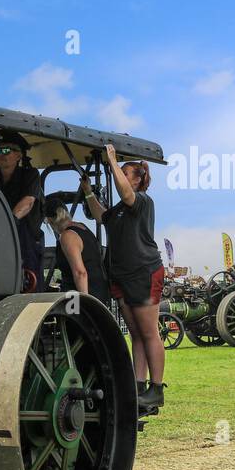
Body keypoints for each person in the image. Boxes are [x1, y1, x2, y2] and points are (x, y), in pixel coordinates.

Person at [83, 144, 165, 413]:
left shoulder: (141, 201)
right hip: (122, 275)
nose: (119, 173)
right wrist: (87, 192)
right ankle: (137, 386)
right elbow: (101, 215)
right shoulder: (118, 210)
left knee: (149, 332)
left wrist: (112, 161)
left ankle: (156, 390)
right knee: (136, 334)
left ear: (138, 179)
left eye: (124, 171)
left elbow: (125, 192)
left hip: (143, 272)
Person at [0, 129, 44, 291]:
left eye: (6, 150)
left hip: (25, 240)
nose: (0, 154)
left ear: (19, 155)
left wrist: (8, 224)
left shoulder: (30, 175)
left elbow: (28, 202)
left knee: (29, 286)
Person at [44, 193, 109, 300]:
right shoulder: (82, 227)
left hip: (79, 295)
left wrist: (85, 303)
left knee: (72, 315)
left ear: (50, 221)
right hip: (98, 290)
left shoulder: (67, 236)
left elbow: (80, 272)